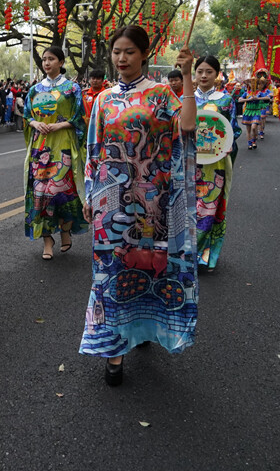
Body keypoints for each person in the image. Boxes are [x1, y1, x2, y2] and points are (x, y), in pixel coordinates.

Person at [80, 25, 196, 386]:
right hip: (111, 201)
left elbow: (188, 126)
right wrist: (90, 193)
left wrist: (187, 76)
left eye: (129, 51)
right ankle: (113, 349)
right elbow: (94, 150)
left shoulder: (161, 94)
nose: (121, 58)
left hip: (152, 201)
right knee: (110, 269)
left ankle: (142, 328)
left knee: (150, 266)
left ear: (145, 54)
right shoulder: (104, 99)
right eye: (117, 51)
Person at [23, 46, 88, 259]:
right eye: (44, 59)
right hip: (40, 147)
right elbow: (26, 115)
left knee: (64, 192)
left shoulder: (72, 89)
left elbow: (80, 118)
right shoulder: (35, 89)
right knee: (41, 194)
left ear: (61, 62)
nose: (47, 63)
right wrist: (35, 123)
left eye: (51, 59)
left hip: (63, 145)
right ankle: (47, 239)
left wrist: (60, 125)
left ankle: (66, 230)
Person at [193, 56, 240, 271]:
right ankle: (185, 253)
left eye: (209, 72)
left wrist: (227, 145)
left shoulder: (226, 100)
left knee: (208, 209)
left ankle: (204, 256)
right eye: (200, 71)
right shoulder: (184, 99)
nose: (204, 76)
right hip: (188, 162)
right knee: (187, 208)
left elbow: (233, 129)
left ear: (217, 74)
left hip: (215, 163)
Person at [238, 78, 266, 150]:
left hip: (256, 112)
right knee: (248, 130)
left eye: (254, 83)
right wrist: (248, 99)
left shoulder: (259, 93)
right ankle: (249, 143)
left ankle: (254, 140)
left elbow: (267, 98)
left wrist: (258, 98)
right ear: (249, 84)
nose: (252, 84)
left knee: (254, 127)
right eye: (251, 83)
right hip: (248, 112)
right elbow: (239, 100)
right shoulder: (246, 93)